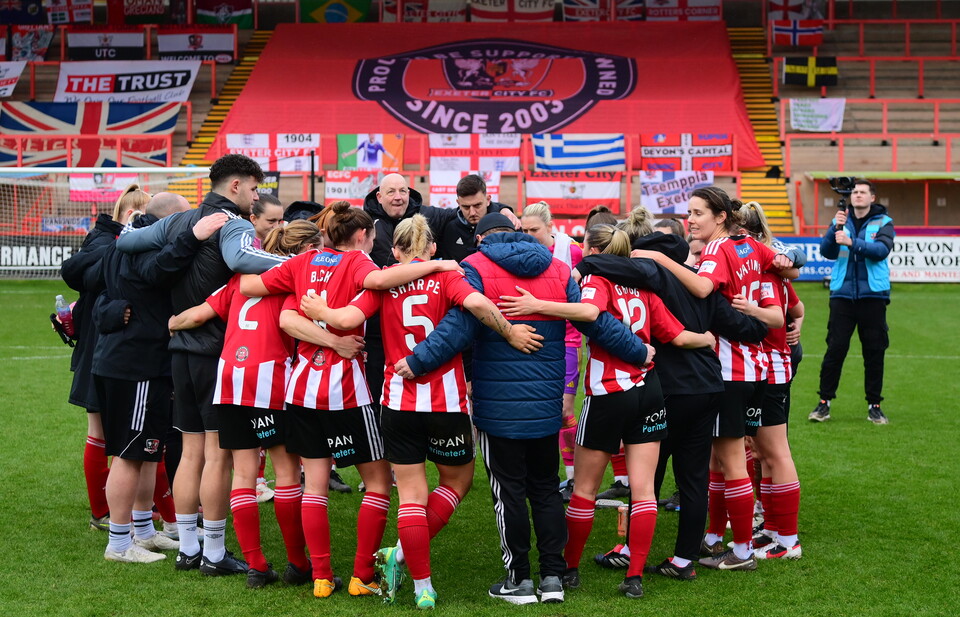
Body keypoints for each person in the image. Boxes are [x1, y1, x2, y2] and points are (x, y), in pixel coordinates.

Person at [396, 213, 647, 605]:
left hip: (498, 407)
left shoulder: (474, 266)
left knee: (508, 493)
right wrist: (638, 350)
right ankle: (552, 578)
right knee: (546, 490)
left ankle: (519, 580)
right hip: (545, 402)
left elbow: (460, 325)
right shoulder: (559, 268)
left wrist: (417, 361)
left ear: (480, 238)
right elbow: (596, 322)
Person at [300, 214, 542, 609]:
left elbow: (346, 319)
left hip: (397, 401)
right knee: (458, 481)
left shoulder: (384, 280)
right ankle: (398, 557)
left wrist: (320, 311)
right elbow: (478, 303)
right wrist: (510, 331)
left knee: (411, 495)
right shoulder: (448, 274)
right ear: (432, 248)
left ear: (394, 250)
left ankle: (422, 587)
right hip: (445, 402)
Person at [239, 202, 464, 599]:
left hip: (302, 386)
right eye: (374, 236)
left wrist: (300, 291)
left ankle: (321, 577)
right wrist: (437, 265)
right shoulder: (360, 262)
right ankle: (363, 575)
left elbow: (250, 288)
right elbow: (379, 283)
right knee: (377, 483)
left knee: (315, 487)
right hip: (347, 387)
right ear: (362, 237)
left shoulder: (304, 262)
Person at [499, 223, 715, 600]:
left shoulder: (597, 278)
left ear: (594, 248)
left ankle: (569, 569)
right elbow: (678, 336)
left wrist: (537, 306)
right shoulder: (645, 287)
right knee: (645, 491)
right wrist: (708, 338)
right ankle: (634, 578)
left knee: (583, 490)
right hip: (650, 392)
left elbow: (587, 311)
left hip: (608, 395)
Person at [116, 154, 289, 577]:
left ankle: (187, 548)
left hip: (181, 350)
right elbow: (244, 261)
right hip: (219, 353)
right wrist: (300, 265)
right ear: (235, 186)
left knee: (189, 452)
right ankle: (213, 552)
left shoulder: (181, 222)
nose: (256, 197)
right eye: (253, 188)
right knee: (217, 456)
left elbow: (126, 242)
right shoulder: (236, 224)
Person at [575, 225, 769, 582]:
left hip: (668, 388)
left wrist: (586, 264)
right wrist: (767, 321)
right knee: (693, 477)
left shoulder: (652, 279)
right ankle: (683, 559)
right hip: (709, 386)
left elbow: (611, 271)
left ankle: (632, 551)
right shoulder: (700, 283)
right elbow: (740, 326)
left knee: (647, 477)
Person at [168, 221, 356, 588]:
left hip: (229, 379)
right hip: (269, 381)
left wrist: (173, 322)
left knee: (243, 473)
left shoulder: (241, 280)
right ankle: (298, 564)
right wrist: (336, 343)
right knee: (286, 474)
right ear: (306, 250)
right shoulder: (291, 279)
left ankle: (255, 565)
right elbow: (292, 325)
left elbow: (198, 315)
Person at [634, 187, 796, 572]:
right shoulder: (752, 246)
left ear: (721, 217)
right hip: (753, 368)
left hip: (728, 368)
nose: (690, 220)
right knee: (731, 459)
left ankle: (740, 552)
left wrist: (660, 257)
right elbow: (789, 269)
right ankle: (722, 538)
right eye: (689, 213)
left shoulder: (718, 250)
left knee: (730, 459)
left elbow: (704, 288)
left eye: (697, 214)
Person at [92, 194, 224, 563]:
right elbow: (158, 271)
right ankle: (119, 543)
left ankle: (144, 530)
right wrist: (194, 236)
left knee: (148, 453)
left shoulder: (132, 241)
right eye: (183, 220)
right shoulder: (145, 247)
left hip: (138, 360)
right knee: (128, 454)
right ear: (170, 222)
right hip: (135, 365)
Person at [60, 184, 143, 531]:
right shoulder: (108, 245)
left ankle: (120, 508)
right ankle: (102, 511)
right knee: (104, 432)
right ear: (132, 217)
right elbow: (88, 279)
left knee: (117, 432)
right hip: (102, 349)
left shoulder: (102, 243)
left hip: (103, 348)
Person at [739, 202, 805, 560]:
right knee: (762, 451)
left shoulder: (765, 266)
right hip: (760, 366)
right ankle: (775, 528)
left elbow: (783, 314)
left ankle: (788, 539)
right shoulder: (767, 264)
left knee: (775, 452)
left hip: (771, 366)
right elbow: (796, 307)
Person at [809, 179, 894, 425]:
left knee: (874, 351)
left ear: (872, 198)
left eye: (862, 192)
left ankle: (874, 405)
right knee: (835, 350)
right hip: (842, 296)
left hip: (873, 296)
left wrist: (852, 242)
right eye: (855, 192)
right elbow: (827, 251)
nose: (857, 195)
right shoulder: (840, 221)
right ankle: (824, 403)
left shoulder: (884, 223)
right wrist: (834, 227)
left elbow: (881, 251)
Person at [520, 201, 583, 502]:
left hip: (568, 339)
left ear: (550, 227)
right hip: (533, 339)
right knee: (538, 411)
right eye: (525, 230)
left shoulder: (571, 252)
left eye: (535, 229)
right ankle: (546, 476)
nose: (529, 235)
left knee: (563, 411)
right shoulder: (522, 251)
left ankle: (574, 479)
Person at [434, 174, 511, 262]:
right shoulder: (448, 228)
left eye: (477, 205)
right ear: (458, 203)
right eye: (466, 207)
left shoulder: (507, 225)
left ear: (488, 200)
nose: (472, 212)